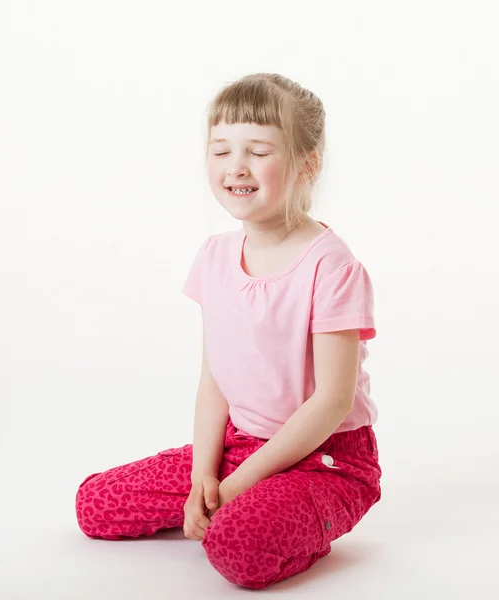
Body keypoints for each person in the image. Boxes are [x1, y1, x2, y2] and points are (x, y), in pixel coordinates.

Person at [75, 73, 382, 590]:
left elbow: (332, 400)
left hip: (324, 461)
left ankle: (304, 519)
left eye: (258, 151)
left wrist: (238, 485)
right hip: (239, 446)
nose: (235, 167)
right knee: (94, 505)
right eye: (220, 151)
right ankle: (239, 502)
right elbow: (213, 378)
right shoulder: (215, 258)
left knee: (235, 547)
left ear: (308, 164)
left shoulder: (332, 267)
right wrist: (205, 475)